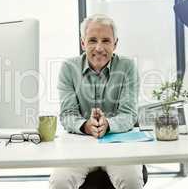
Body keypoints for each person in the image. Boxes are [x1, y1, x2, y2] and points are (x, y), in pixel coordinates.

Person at [49, 14, 143, 189]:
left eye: (106, 40)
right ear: (83, 43)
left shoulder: (128, 66)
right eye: (92, 40)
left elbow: (129, 114)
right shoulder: (69, 68)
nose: (99, 48)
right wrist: (86, 125)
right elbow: (68, 114)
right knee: (59, 182)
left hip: (118, 141)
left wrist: (107, 124)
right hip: (79, 143)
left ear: (115, 43)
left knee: (131, 181)